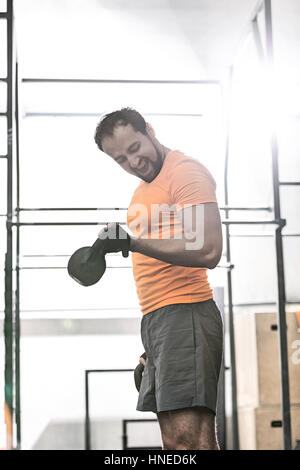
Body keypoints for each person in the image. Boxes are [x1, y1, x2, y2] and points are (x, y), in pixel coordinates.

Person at [94, 107, 223, 450]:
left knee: (188, 441)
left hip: (187, 310)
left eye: (135, 148)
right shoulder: (142, 192)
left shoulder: (184, 172)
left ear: (149, 129)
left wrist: (132, 242)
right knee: (174, 442)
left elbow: (209, 250)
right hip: (160, 319)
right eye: (121, 159)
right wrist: (151, 346)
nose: (133, 162)